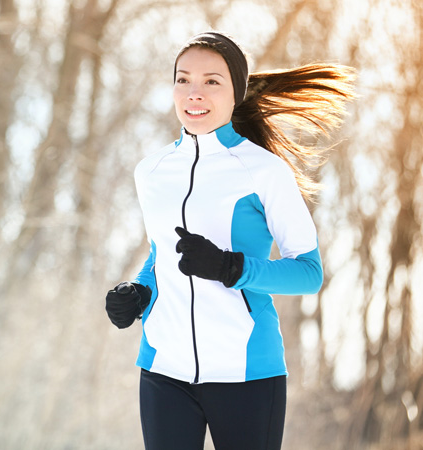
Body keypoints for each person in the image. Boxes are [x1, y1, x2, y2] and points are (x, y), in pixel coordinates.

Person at [105, 31, 355, 450]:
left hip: (246, 373)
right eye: (182, 80)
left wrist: (230, 268)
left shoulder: (264, 171)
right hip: (163, 369)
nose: (194, 92)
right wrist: (138, 291)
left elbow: (309, 273)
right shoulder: (151, 171)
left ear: (236, 92)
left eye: (211, 81)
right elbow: (161, 255)